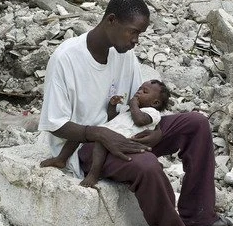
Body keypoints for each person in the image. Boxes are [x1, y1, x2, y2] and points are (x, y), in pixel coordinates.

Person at [38, 0, 233, 226]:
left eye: (139, 35)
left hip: (125, 129)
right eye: (133, 33)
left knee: (196, 123)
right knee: (146, 166)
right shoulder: (66, 58)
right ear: (111, 21)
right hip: (85, 146)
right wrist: (99, 133)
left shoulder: (123, 54)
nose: (136, 41)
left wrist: (156, 130)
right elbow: (55, 124)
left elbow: (140, 104)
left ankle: (199, 214)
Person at [40, 79, 170, 188]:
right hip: (110, 132)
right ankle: (61, 159)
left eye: (144, 91)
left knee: (101, 142)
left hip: (123, 140)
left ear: (155, 103)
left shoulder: (152, 113)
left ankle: (94, 174)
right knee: (81, 134)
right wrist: (112, 106)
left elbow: (140, 120)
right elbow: (113, 119)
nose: (139, 92)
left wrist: (133, 104)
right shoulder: (129, 111)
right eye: (139, 89)